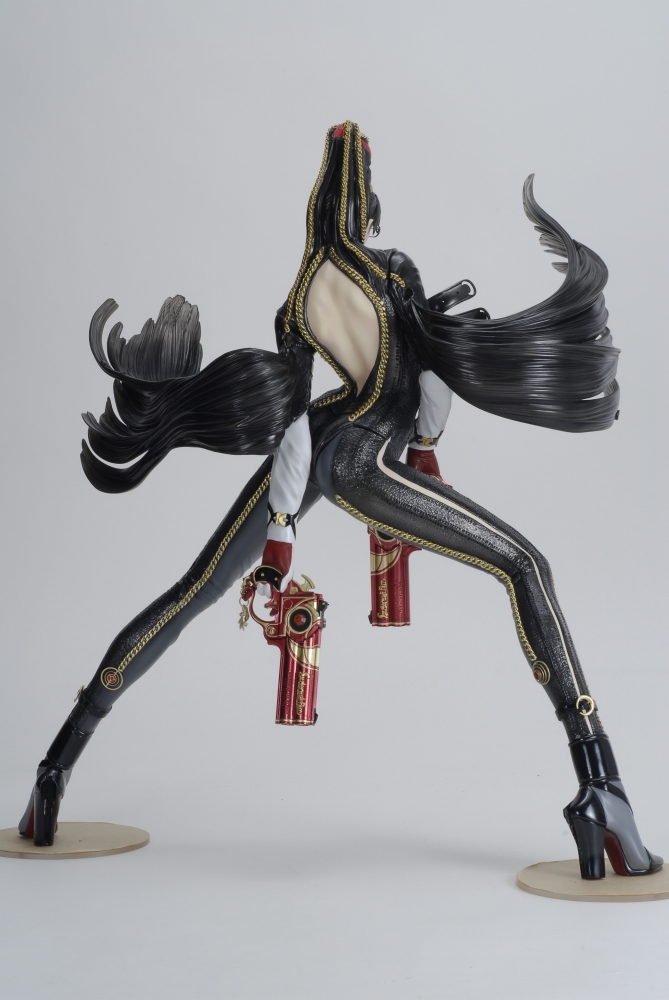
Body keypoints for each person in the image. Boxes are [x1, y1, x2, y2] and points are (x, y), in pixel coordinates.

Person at [18, 121, 662, 881]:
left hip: (326, 436)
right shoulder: (394, 272)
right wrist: (425, 456)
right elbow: (430, 385)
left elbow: (294, 429)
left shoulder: (296, 305)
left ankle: (53, 772)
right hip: (367, 458)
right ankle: (600, 784)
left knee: (194, 589)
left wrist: (282, 532)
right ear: (366, 197)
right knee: (525, 564)